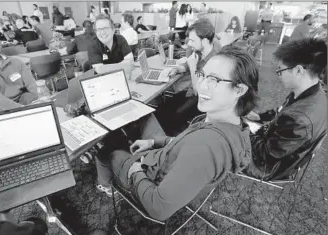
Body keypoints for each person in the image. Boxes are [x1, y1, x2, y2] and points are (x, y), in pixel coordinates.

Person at [95, 45, 259, 221]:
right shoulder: (234, 124)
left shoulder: (205, 148)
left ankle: (105, 184)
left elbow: (158, 208)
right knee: (145, 117)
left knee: (106, 150)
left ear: (239, 90)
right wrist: (154, 142)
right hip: (166, 159)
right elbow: (185, 142)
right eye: (202, 75)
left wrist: (136, 172)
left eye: (214, 80)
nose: (202, 86)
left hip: (149, 176)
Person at [245, 38, 327, 180]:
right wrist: (259, 117)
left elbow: (265, 155)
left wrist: (243, 128)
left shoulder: (300, 119)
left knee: (222, 136)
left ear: (298, 70)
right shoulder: (313, 92)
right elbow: (282, 110)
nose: (279, 75)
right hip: (280, 146)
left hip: (268, 166)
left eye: (280, 70)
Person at [160, 19, 222, 135]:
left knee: (172, 116)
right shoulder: (202, 49)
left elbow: (198, 92)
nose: (188, 44)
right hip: (191, 93)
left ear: (204, 41)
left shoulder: (215, 61)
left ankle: (172, 139)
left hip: (201, 100)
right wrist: (177, 69)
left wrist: (193, 66)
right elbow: (189, 63)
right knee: (162, 107)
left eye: (192, 40)